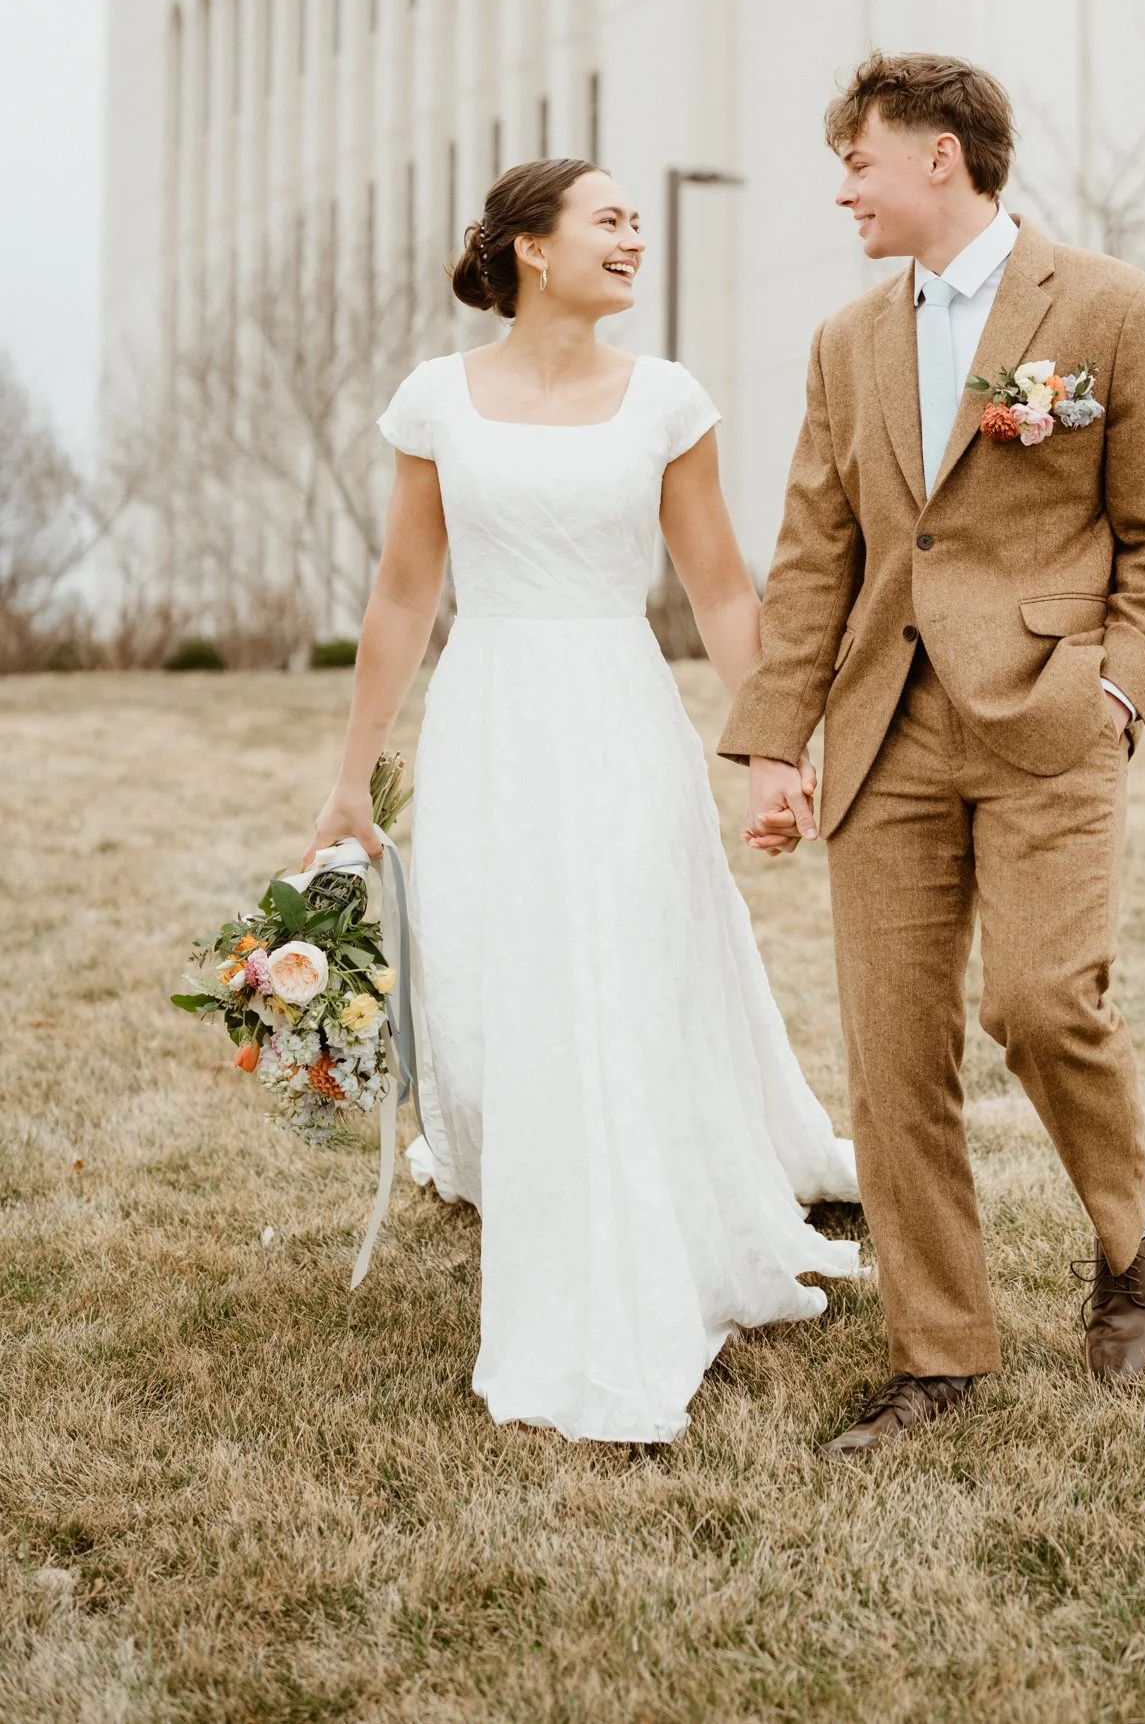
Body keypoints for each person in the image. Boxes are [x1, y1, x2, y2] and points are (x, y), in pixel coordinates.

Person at [305, 158, 859, 1443]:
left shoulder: (665, 398)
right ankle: (551, 1185)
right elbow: (401, 594)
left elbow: (719, 586)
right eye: (607, 219)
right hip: (492, 712)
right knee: (507, 977)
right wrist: (349, 776)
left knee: (622, 958)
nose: (633, 238)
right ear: (530, 249)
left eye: (636, 221)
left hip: (617, 710)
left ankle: (638, 1237)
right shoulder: (436, 400)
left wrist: (775, 743)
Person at [723, 52, 1145, 1459]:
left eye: (858, 162)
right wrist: (773, 741)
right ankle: (936, 1356)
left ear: (939, 156)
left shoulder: (1112, 311)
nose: (842, 190)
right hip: (884, 727)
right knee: (891, 1058)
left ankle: (1126, 1239)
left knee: (1043, 1005)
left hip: (1051, 715)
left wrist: (1119, 693)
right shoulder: (844, 342)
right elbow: (815, 553)